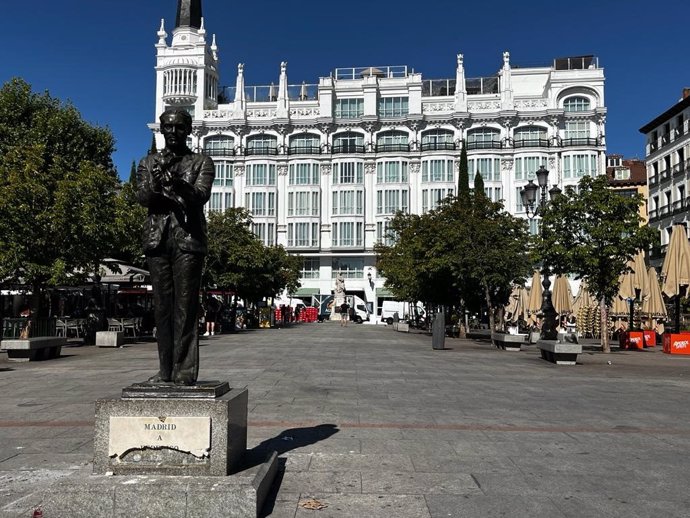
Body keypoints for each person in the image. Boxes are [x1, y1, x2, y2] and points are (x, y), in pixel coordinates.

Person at [136, 107, 214, 385]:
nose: (172, 132)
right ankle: (165, 370)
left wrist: (177, 185)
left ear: (188, 129)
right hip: (157, 239)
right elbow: (144, 196)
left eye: (179, 127)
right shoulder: (149, 162)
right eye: (167, 127)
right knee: (162, 308)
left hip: (188, 240)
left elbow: (199, 196)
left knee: (185, 306)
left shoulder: (202, 162)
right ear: (161, 129)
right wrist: (161, 188)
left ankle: (184, 372)